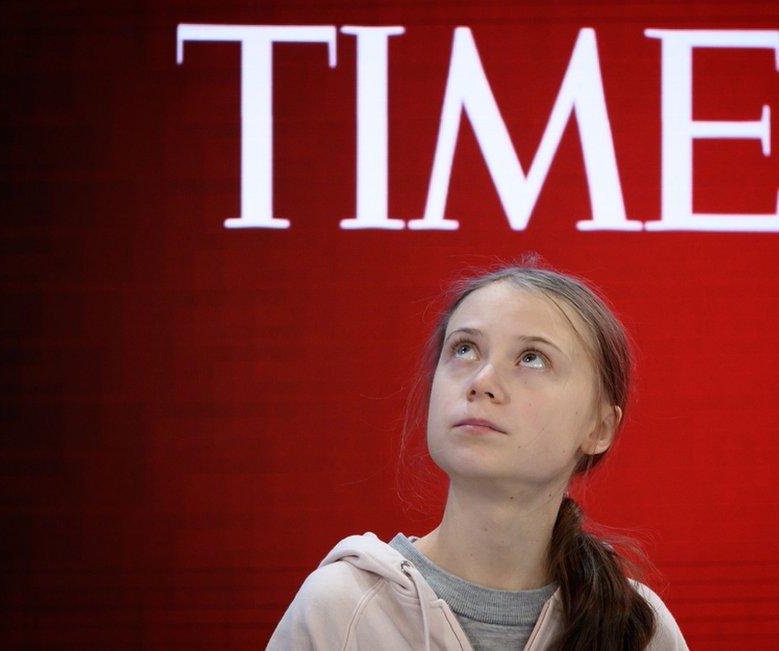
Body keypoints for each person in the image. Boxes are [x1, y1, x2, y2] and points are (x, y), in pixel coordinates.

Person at [267, 256, 688, 650]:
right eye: (464, 349)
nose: (482, 381)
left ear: (598, 428)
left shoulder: (638, 627)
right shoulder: (339, 608)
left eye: (532, 358)